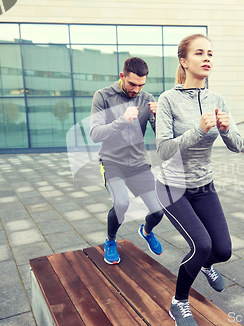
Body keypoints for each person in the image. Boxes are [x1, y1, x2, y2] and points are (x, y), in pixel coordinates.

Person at [155, 34, 243, 326]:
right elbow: (164, 150)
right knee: (201, 245)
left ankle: (206, 266)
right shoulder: (168, 99)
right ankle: (178, 301)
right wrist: (197, 130)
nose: (207, 58)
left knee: (223, 251)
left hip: (203, 185)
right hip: (171, 187)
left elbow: (237, 145)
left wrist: (227, 129)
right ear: (184, 61)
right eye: (199, 53)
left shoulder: (217, 99)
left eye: (210, 54)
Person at [90, 57, 164, 264]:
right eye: (132, 84)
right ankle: (111, 240)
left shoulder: (146, 98)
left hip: (139, 164)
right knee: (121, 204)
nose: (137, 90)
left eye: (141, 85)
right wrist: (122, 120)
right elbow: (95, 134)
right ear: (122, 76)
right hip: (112, 162)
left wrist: (160, 118)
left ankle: (146, 232)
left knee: (158, 210)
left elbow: (161, 135)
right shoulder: (103, 96)